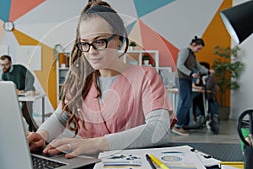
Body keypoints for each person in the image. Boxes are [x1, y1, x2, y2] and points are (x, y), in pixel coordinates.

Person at [26, 1, 174, 159]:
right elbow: (61, 117)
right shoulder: (81, 80)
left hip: (131, 162)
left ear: (119, 39)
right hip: (87, 163)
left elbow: (159, 130)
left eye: (99, 42)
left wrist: (95, 144)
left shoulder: (146, 77)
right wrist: (42, 135)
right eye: (85, 44)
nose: (91, 52)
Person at [173, 36, 215, 136]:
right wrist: (191, 73)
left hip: (186, 79)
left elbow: (198, 67)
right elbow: (180, 65)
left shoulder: (192, 55)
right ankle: (178, 125)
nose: (199, 50)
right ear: (193, 45)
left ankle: (182, 124)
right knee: (185, 101)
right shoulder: (185, 51)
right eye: (199, 48)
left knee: (186, 101)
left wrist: (208, 71)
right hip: (181, 79)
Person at [0, 55, 38, 131]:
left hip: (28, 92)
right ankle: (34, 129)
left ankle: (33, 129)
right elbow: (7, 87)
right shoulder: (4, 75)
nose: (3, 67)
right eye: (1, 65)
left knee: (25, 111)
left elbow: (30, 77)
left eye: (5, 65)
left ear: (10, 63)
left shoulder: (19, 68)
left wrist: (27, 89)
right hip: (17, 94)